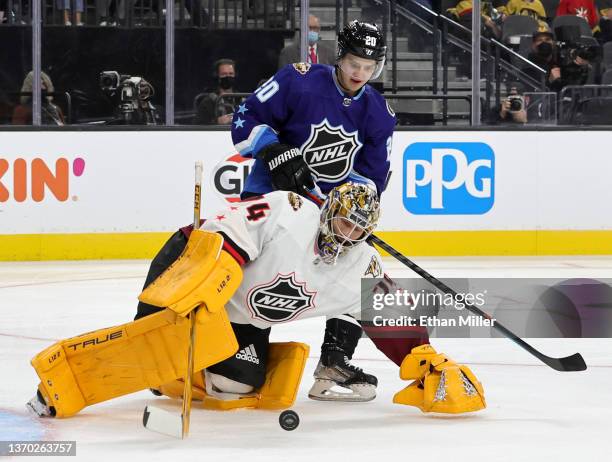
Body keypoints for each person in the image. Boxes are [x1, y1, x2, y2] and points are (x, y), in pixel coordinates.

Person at [27, 180, 486, 417]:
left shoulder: (359, 265)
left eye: (358, 230)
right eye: (343, 222)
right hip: (192, 269)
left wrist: (426, 360)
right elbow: (220, 236)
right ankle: (60, 384)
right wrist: (205, 283)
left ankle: (175, 375)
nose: (347, 235)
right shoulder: (288, 210)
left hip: (241, 314)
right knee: (154, 345)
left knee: (238, 385)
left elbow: (390, 317)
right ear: (329, 211)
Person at [230, 20, 397, 401]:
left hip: (326, 222)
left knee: (367, 266)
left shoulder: (379, 113)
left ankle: (333, 364)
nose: (359, 73)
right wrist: (273, 150)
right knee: (238, 376)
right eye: (354, 62)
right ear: (340, 56)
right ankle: (233, 348)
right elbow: (246, 116)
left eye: (369, 67)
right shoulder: (298, 80)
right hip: (270, 209)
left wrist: (348, 209)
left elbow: (372, 179)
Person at [193, 59, 241, 125]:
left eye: (231, 74)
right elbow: (197, 126)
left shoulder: (242, 99)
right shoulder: (208, 102)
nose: (228, 77)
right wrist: (217, 122)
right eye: (224, 74)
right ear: (217, 76)